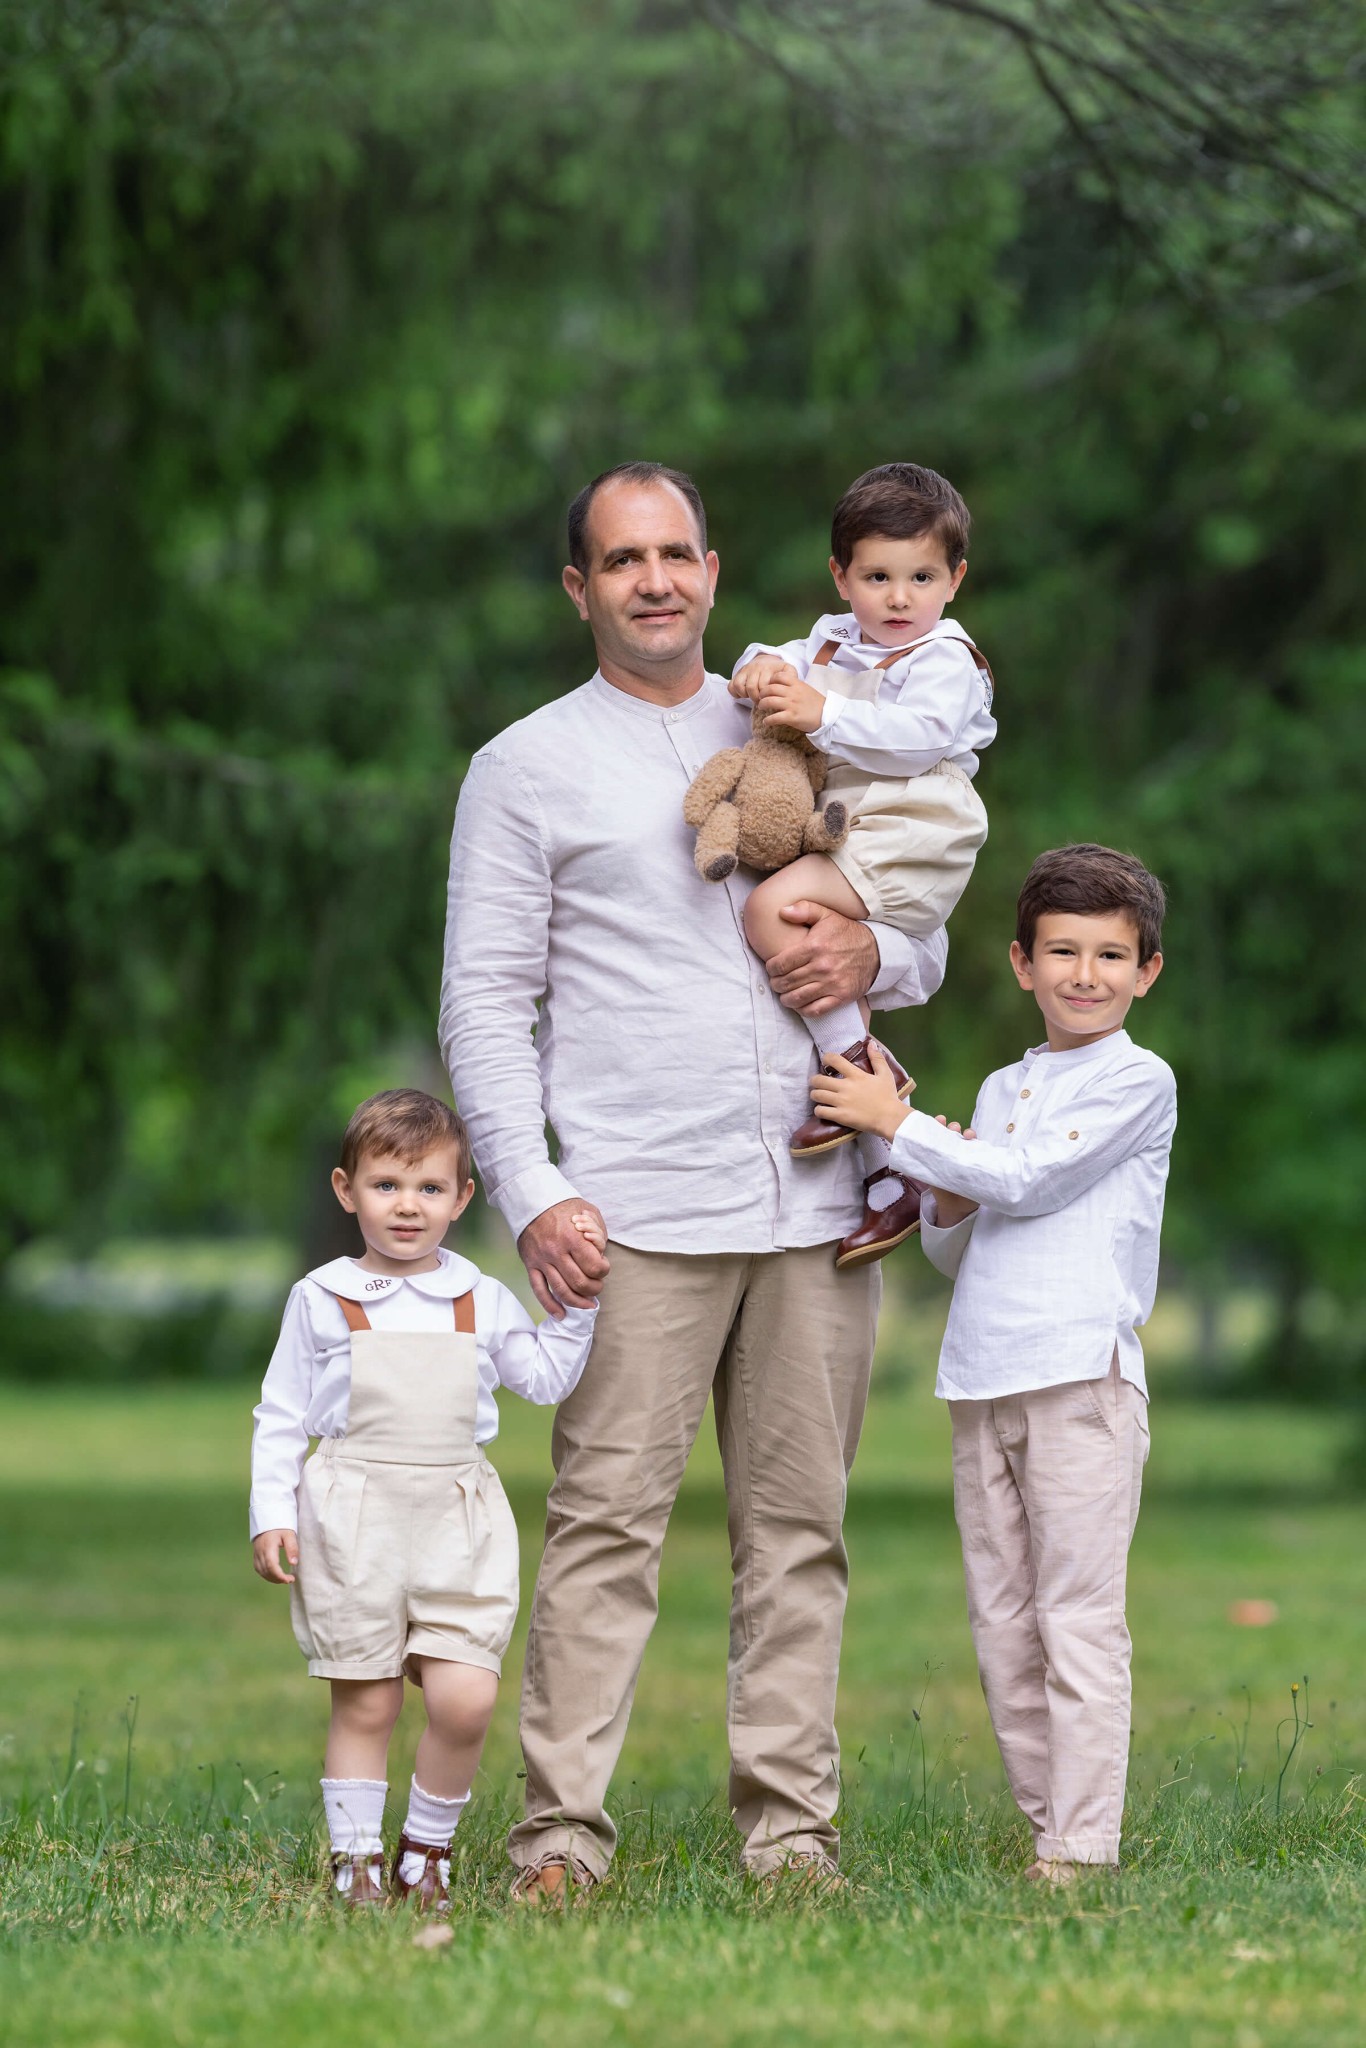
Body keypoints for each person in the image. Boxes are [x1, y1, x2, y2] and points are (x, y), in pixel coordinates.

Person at [440, 461, 949, 1899]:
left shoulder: (804, 723)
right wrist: (533, 1194)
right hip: (632, 1212)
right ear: (578, 589)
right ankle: (558, 1840)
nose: (653, 580)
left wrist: (880, 961)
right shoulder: (525, 766)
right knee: (603, 1530)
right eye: (621, 560)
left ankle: (790, 1834)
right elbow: (484, 1003)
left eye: (676, 554)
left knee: (799, 1535)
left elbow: (915, 914)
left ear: (715, 574)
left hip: (816, 1206)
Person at [807, 843, 1175, 1884]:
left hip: (1078, 1380)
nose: (1084, 973)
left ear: (1146, 970)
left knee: (1073, 1616)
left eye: (1110, 954)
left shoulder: (1137, 1079)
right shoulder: (1006, 1081)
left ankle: (1081, 1841)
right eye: (1062, 950)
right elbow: (962, 1234)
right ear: (1021, 962)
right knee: (1003, 1620)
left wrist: (897, 1124)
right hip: (983, 1376)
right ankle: (1043, 1822)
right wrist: (944, 1191)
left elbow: (1030, 1177)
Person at [249, 1087, 599, 1912]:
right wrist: (273, 1511)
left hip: (456, 1514)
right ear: (347, 1190)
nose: (408, 1206)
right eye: (386, 1186)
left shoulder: (478, 1296)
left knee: (466, 1695)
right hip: (354, 1513)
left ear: (461, 1198)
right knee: (366, 1697)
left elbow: (542, 1380)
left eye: (430, 1188)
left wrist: (578, 1311)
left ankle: (427, 1850)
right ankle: (358, 1862)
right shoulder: (322, 1297)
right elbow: (280, 1415)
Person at [729, 462, 997, 1267]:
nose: (898, 598)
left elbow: (917, 735)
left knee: (771, 911)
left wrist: (823, 710)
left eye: (920, 577)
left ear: (954, 579)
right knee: (818, 948)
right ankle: (891, 1169)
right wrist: (761, 671)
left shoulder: (949, 659)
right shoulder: (832, 637)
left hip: (914, 823)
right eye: (877, 576)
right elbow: (764, 655)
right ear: (841, 576)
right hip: (857, 826)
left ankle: (856, 1067)